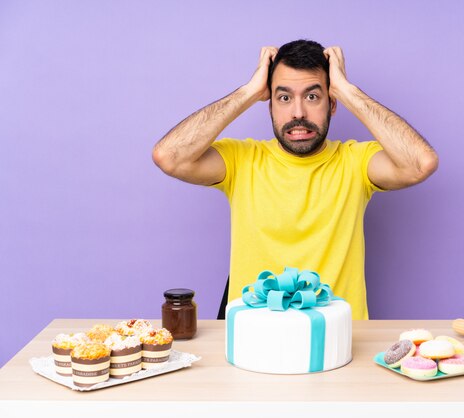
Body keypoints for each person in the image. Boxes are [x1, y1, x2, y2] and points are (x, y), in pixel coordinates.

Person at [152, 40, 438, 320]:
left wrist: (348, 91)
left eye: (313, 96)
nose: (298, 113)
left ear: (332, 104)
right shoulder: (242, 160)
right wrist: (248, 91)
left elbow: (420, 164)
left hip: (336, 344)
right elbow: (169, 157)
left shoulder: (356, 162)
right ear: (270, 105)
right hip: (255, 342)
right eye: (284, 98)